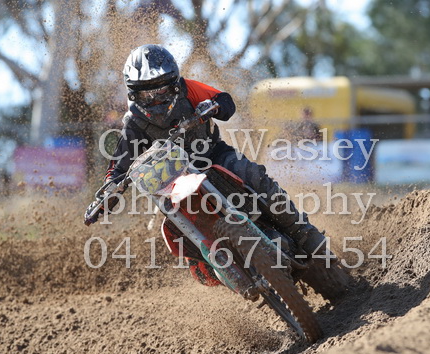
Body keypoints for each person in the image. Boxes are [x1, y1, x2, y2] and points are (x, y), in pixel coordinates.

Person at [84, 44, 336, 282]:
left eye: (161, 91)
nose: (156, 98)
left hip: (213, 155)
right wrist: (107, 195)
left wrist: (212, 107)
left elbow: (225, 101)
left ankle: (308, 236)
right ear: (133, 93)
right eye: (147, 94)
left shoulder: (189, 89)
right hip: (172, 181)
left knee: (253, 175)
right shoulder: (133, 122)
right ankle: (212, 267)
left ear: (174, 84)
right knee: (174, 227)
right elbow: (120, 166)